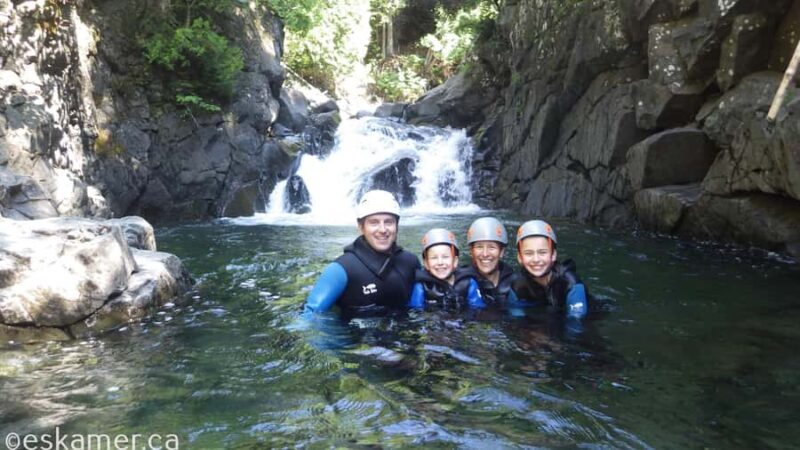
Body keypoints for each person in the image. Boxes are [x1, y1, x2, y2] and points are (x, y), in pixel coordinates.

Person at [304, 190, 420, 317]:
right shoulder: (341, 269)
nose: (382, 229)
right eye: (374, 222)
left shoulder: (410, 262)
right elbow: (311, 316)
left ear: (397, 225)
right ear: (360, 227)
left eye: (388, 222)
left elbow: (419, 308)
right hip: (352, 335)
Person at [511, 220, 589, 319]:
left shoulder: (570, 284)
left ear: (553, 255)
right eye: (529, 253)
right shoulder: (518, 285)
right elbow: (515, 319)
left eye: (542, 252)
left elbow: (577, 324)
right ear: (520, 258)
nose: (536, 259)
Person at [408, 228, 485, 310]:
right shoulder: (422, 286)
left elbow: (477, 309)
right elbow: (416, 311)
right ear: (426, 263)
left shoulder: (468, 283)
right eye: (434, 258)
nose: (440, 262)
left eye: (445, 257)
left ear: (455, 261)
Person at [460, 217, 518, 304]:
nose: (485, 254)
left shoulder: (514, 283)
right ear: (471, 252)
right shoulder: (461, 282)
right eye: (479, 247)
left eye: (492, 247)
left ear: (501, 252)